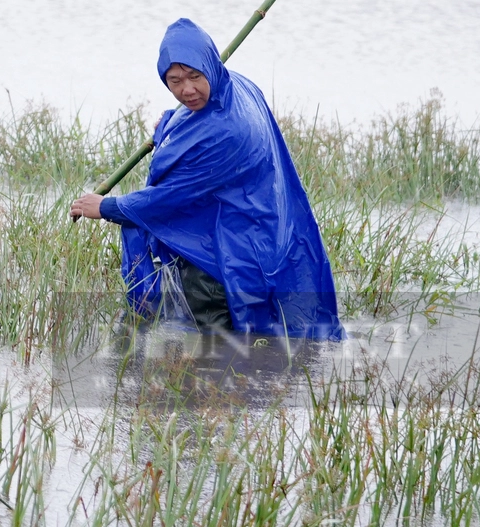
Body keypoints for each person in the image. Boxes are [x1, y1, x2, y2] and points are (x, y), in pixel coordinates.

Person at [68, 18, 343, 340]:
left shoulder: (228, 132)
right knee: (251, 343)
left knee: (223, 343)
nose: (186, 90)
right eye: (174, 81)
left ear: (210, 67)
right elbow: (191, 116)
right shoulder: (236, 84)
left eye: (195, 77)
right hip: (252, 223)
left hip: (228, 249)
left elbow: (171, 197)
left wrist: (107, 206)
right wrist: (169, 123)